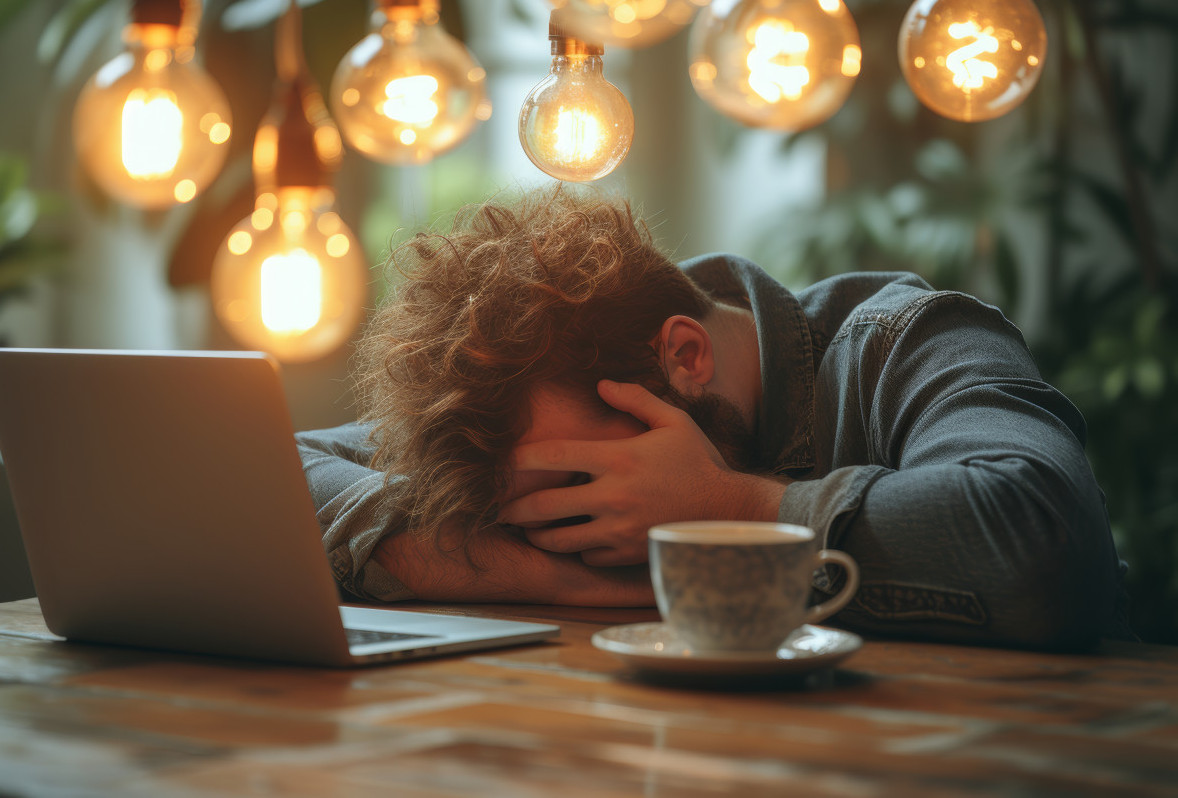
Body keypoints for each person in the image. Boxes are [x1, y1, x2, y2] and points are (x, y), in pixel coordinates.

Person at [297, 186, 1130, 649]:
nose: (567, 535)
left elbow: (1045, 541)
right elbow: (273, 463)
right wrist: (542, 578)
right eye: (534, 521)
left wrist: (730, 511)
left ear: (684, 358)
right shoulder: (539, 412)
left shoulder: (906, 343)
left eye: (583, 496)